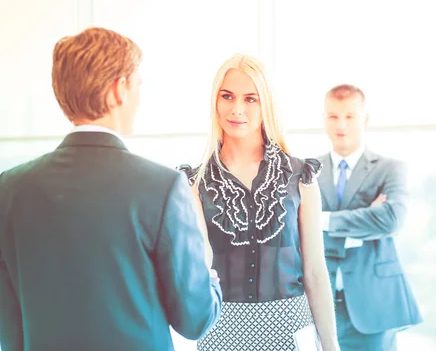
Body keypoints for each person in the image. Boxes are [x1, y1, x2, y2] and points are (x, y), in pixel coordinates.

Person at [0, 27, 222, 351]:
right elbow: (195, 318)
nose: (139, 97)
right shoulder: (162, 188)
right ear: (119, 89)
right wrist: (209, 274)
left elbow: (9, 326)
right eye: (138, 85)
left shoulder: (9, 189)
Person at [177, 54, 339, 351]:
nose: (237, 109)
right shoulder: (193, 183)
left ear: (266, 105)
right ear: (215, 101)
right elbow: (200, 263)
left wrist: (331, 346)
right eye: (227, 96)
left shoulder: (301, 177)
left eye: (250, 99)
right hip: (221, 332)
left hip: (292, 330)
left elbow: (315, 271)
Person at [317, 84, 422, 351]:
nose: (341, 124)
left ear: (365, 119)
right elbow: (293, 229)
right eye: (333, 116)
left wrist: (321, 220)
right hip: (318, 304)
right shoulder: (308, 172)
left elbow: (391, 220)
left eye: (350, 116)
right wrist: (365, 220)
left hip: (373, 304)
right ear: (324, 119)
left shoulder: (390, 169)